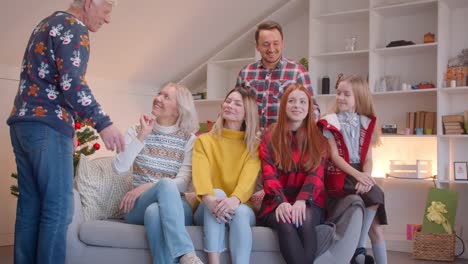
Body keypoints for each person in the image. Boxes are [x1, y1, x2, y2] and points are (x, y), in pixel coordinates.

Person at [7, 0, 124, 263]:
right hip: (47, 126)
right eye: (106, 11)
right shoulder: (75, 27)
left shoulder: (47, 23)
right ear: (90, 3)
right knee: (58, 208)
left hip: (23, 123)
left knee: (30, 206)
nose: (107, 20)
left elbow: (47, 79)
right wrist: (103, 123)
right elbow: (73, 84)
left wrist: (69, 125)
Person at [112, 83, 203, 264]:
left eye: (166, 97)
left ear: (178, 110)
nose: (158, 98)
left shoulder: (189, 139)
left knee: (155, 212)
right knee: (165, 186)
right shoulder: (137, 131)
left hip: (176, 204)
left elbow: (184, 183)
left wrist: (146, 186)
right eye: (159, 94)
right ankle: (186, 254)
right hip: (137, 205)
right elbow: (119, 167)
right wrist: (142, 136)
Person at [318, 75, 387, 264]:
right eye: (338, 93)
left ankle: (359, 246)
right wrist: (358, 176)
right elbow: (335, 156)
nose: (340, 97)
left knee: (375, 197)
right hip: (341, 173)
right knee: (375, 221)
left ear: (359, 98)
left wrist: (366, 177)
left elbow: (368, 158)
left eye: (346, 94)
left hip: (359, 174)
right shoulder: (330, 122)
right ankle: (359, 248)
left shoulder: (366, 122)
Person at [257, 84, 329, 264]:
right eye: (292, 101)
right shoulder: (269, 137)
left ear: (309, 108)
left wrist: (302, 200)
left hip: (310, 201)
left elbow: (316, 176)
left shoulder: (319, 139)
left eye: (302, 102)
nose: (297, 105)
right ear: (284, 106)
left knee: (305, 218)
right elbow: (269, 175)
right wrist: (281, 201)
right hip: (276, 201)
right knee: (285, 220)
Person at [192, 87, 260, 264]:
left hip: (239, 205)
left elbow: (248, 181)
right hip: (207, 205)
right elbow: (201, 178)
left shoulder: (254, 146)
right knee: (218, 194)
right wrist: (212, 201)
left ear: (247, 114)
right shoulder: (204, 141)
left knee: (242, 211)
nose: (230, 105)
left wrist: (234, 200)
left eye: (238, 104)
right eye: (228, 101)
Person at [235, 20, 320, 129]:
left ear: (282, 44)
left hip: (285, 141)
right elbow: (236, 107)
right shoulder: (245, 73)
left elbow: (313, 111)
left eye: (276, 43)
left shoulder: (298, 72)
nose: (271, 49)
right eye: (266, 44)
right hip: (251, 141)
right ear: (257, 46)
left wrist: (297, 133)